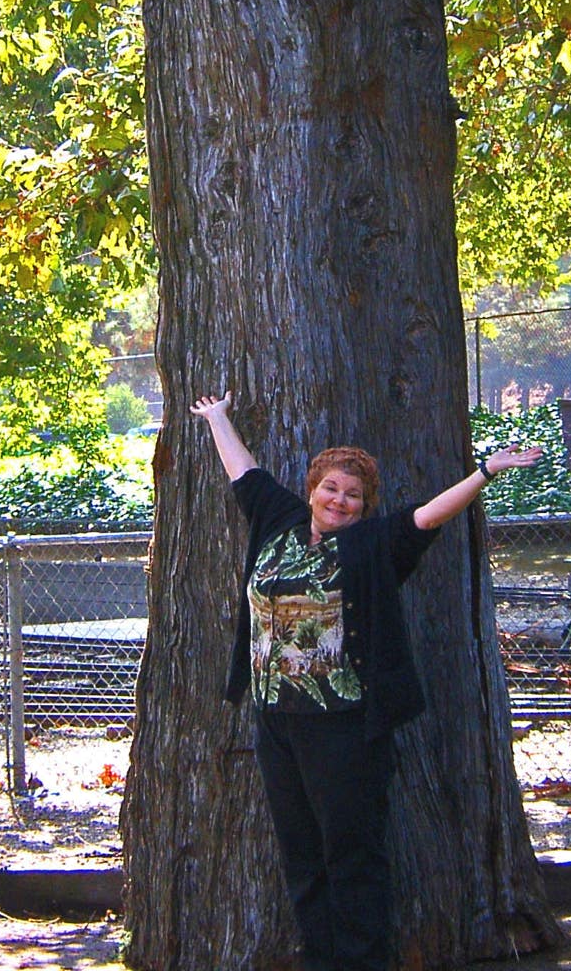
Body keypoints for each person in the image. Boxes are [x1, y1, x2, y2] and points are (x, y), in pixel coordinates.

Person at [190, 392, 544, 971]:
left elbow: (427, 517)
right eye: (331, 488)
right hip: (276, 720)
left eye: (353, 495)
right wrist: (218, 418)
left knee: (352, 857)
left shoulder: (371, 545)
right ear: (311, 489)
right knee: (302, 857)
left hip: (344, 728)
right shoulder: (277, 520)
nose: (340, 500)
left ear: (363, 506)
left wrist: (485, 472)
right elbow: (244, 471)